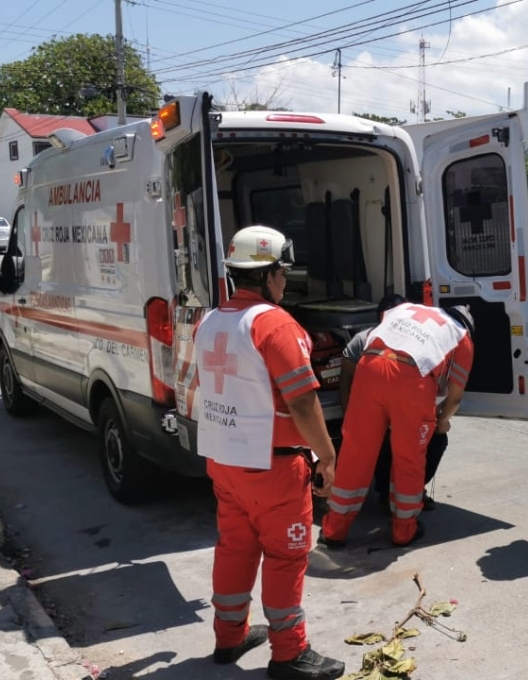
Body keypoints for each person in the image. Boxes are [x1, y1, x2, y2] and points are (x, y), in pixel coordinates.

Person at [195, 225, 345, 680]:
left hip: (224, 461)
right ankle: (289, 653)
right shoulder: (275, 323)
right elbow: (301, 399)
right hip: (273, 468)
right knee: (285, 555)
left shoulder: (210, 319)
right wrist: (328, 456)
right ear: (269, 274)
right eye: (282, 272)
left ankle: (230, 636)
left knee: (236, 548)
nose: (285, 281)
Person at [321, 302, 475, 548]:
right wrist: (441, 421)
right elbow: (455, 396)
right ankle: (404, 530)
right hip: (411, 382)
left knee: (355, 454)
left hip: (369, 369)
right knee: (408, 458)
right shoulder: (461, 336)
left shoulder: (406, 309)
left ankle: (334, 530)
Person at [338, 294, 449, 514]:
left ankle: (412, 491)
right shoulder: (363, 340)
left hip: (407, 411)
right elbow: (346, 379)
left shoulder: (422, 341)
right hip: (372, 411)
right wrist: (350, 418)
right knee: (380, 444)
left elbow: (436, 383)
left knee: (436, 440)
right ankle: (385, 493)